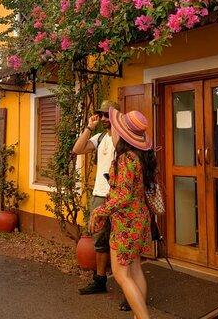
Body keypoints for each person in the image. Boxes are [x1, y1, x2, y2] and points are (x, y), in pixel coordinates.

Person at [89, 107, 155, 319]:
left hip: (126, 223)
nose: (113, 130)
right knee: (135, 269)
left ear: (123, 134)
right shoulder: (140, 156)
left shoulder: (125, 158)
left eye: (116, 128)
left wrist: (100, 211)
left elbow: (123, 195)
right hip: (139, 219)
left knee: (121, 273)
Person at [72, 100, 119, 295]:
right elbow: (77, 149)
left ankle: (126, 287)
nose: (105, 119)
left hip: (118, 195)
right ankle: (100, 281)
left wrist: (117, 125)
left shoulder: (122, 136)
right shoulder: (99, 138)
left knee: (120, 241)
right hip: (99, 194)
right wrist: (90, 127)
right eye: (102, 115)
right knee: (100, 240)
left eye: (109, 115)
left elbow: (120, 146)